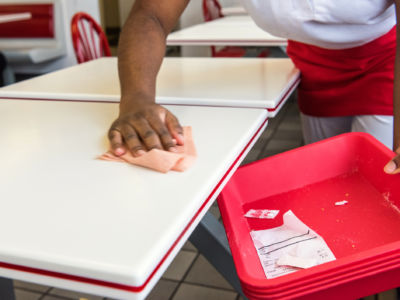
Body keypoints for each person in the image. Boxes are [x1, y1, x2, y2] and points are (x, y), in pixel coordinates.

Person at [107, 0, 400, 174]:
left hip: (386, 60)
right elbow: (151, 14)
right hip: (313, 66)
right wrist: (137, 97)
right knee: (331, 171)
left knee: (384, 174)